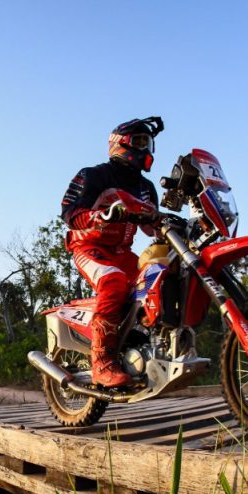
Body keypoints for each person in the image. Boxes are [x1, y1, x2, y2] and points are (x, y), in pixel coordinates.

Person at [60, 117, 163, 388]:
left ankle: (146, 347)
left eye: (148, 142)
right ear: (121, 143)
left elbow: (153, 227)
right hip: (89, 246)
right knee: (114, 282)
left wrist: (179, 224)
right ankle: (102, 362)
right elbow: (69, 213)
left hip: (122, 252)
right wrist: (101, 215)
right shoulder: (94, 175)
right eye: (139, 142)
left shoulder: (146, 188)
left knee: (160, 276)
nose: (146, 148)